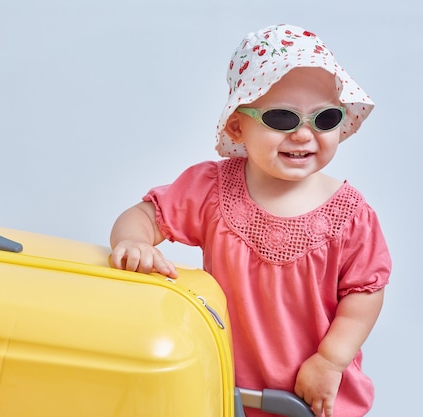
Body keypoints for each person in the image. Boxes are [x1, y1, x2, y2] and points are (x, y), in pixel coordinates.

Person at [109, 23, 391, 417]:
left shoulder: (351, 214)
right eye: (281, 118)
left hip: (312, 395)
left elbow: (365, 292)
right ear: (238, 126)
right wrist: (135, 242)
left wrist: (330, 360)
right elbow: (145, 215)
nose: (304, 135)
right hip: (224, 388)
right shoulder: (212, 189)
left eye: (324, 119)